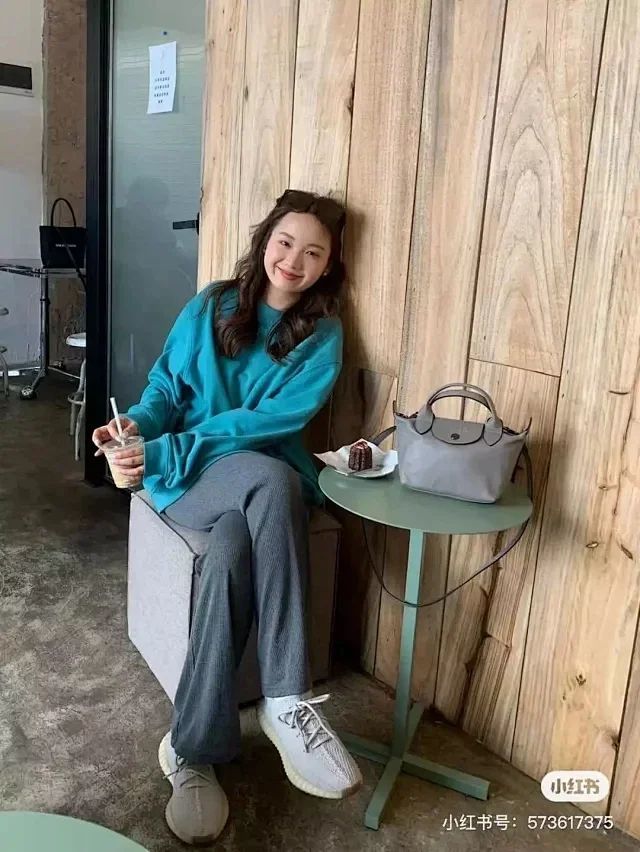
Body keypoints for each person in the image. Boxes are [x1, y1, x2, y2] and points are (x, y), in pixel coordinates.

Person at [92, 190, 362, 845]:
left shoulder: (322, 337)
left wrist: (169, 446)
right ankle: (287, 697)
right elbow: (165, 389)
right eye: (285, 242)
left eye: (313, 252)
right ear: (265, 240)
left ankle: (192, 750)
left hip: (251, 482)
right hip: (191, 481)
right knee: (272, 480)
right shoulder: (211, 305)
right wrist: (138, 428)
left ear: (329, 266)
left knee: (233, 547)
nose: (293, 261)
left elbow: (261, 425)